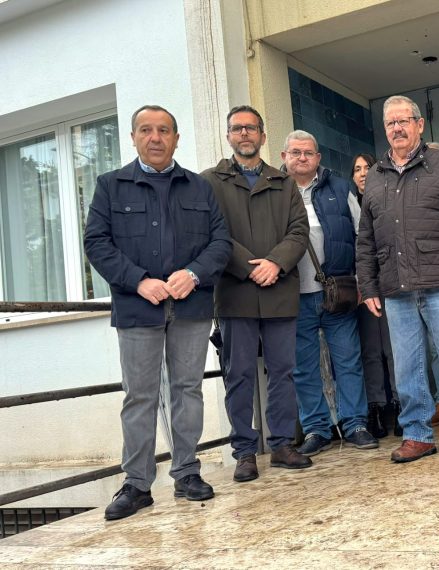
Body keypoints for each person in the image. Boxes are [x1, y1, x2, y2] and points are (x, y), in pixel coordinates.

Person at [84, 105, 231, 519]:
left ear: (176, 138)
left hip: (191, 306)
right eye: (146, 130)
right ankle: (137, 484)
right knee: (140, 396)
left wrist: (195, 273)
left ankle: (186, 473)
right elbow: (96, 243)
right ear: (132, 137)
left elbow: (221, 242)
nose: (155, 137)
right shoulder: (110, 186)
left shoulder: (199, 188)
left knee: (187, 390)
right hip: (137, 307)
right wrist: (137, 280)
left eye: (164, 130)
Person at [357, 95, 439, 463]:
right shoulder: (376, 175)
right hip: (395, 287)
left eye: (404, 120)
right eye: (391, 122)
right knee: (407, 364)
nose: (397, 128)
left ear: (419, 124)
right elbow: (365, 236)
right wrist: (368, 285)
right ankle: (417, 433)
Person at [201, 105, 312, 482]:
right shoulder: (209, 183)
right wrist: (251, 266)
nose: (244, 134)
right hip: (235, 293)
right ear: (229, 136)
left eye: (251, 128)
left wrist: (275, 264)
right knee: (240, 374)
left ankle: (281, 444)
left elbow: (299, 232)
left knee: (283, 371)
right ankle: (245, 452)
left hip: (279, 290)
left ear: (263, 137)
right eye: (237, 129)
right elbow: (212, 234)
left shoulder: (284, 184)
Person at [282, 131, 378, 456]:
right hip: (293, 296)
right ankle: (316, 429)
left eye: (308, 152)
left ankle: (355, 424)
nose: (302, 158)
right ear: (284, 157)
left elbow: (362, 233)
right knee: (304, 367)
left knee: (348, 360)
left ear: (318, 157)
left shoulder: (339, 187)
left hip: (337, 292)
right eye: (295, 152)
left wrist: (364, 278)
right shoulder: (274, 192)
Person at [351, 152, 399, 438]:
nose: (362, 173)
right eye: (357, 169)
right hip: (361, 287)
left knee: (394, 350)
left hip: (391, 284)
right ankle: (376, 407)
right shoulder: (345, 204)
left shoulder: (387, 195)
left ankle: (400, 404)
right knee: (370, 351)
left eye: (367, 167)